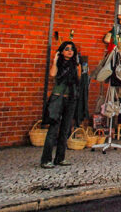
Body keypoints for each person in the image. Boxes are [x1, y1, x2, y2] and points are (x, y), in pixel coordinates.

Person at [41, 41, 81, 169]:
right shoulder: (58, 64)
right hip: (58, 98)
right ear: (62, 51)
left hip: (70, 99)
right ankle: (46, 159)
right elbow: (52, 74)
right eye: (67, 49)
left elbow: (79, 79)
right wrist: (55, 59)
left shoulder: (76, 65)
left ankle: (60, 158)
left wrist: (78, 66)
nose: (70, 51)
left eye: (72, 49)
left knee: (65, 129)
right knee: (53, 129)